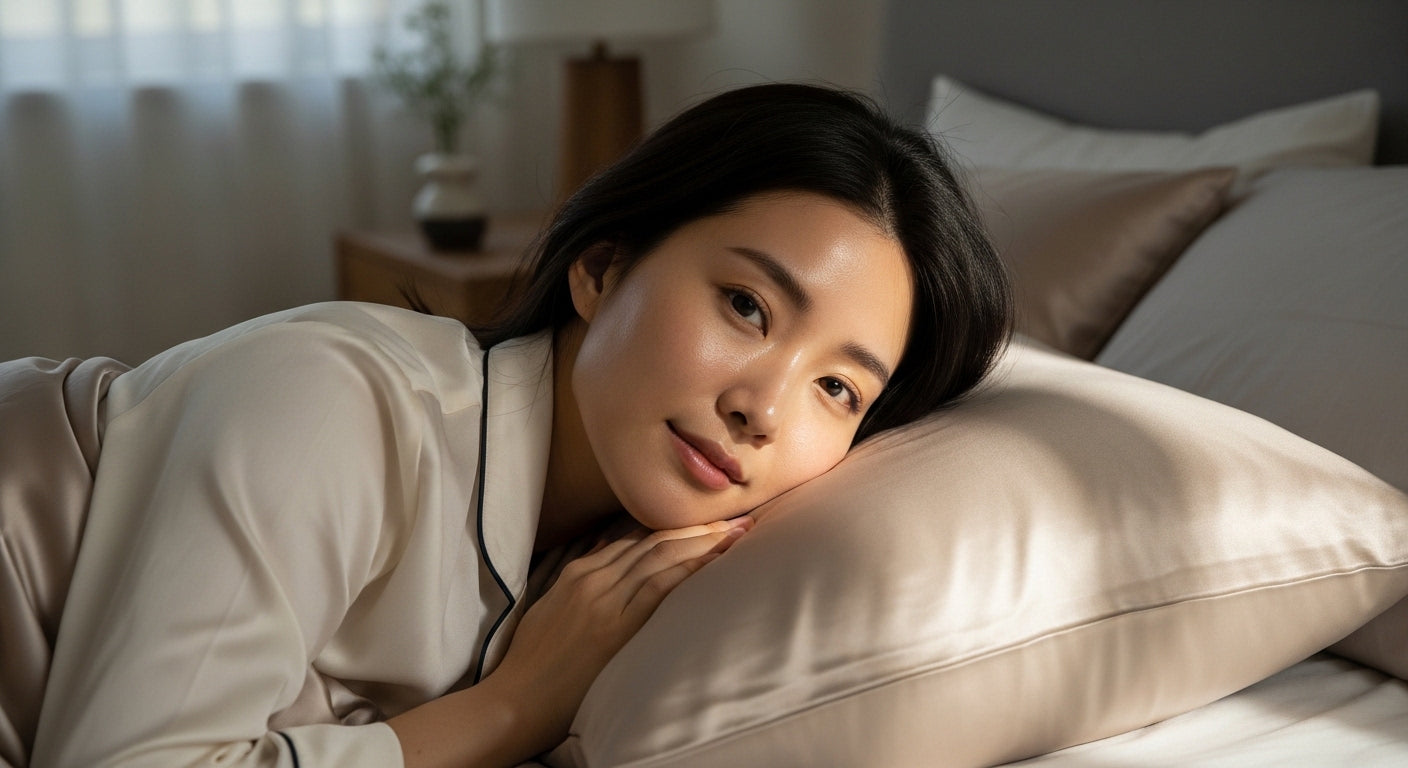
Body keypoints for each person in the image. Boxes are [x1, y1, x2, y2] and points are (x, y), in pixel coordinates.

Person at [0, 83, 1011, 768]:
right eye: (746, 307)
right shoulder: (334, 401)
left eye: (838, 390)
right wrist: (509, 709)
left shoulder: (616, 568)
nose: (764, 409)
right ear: (601, 269)